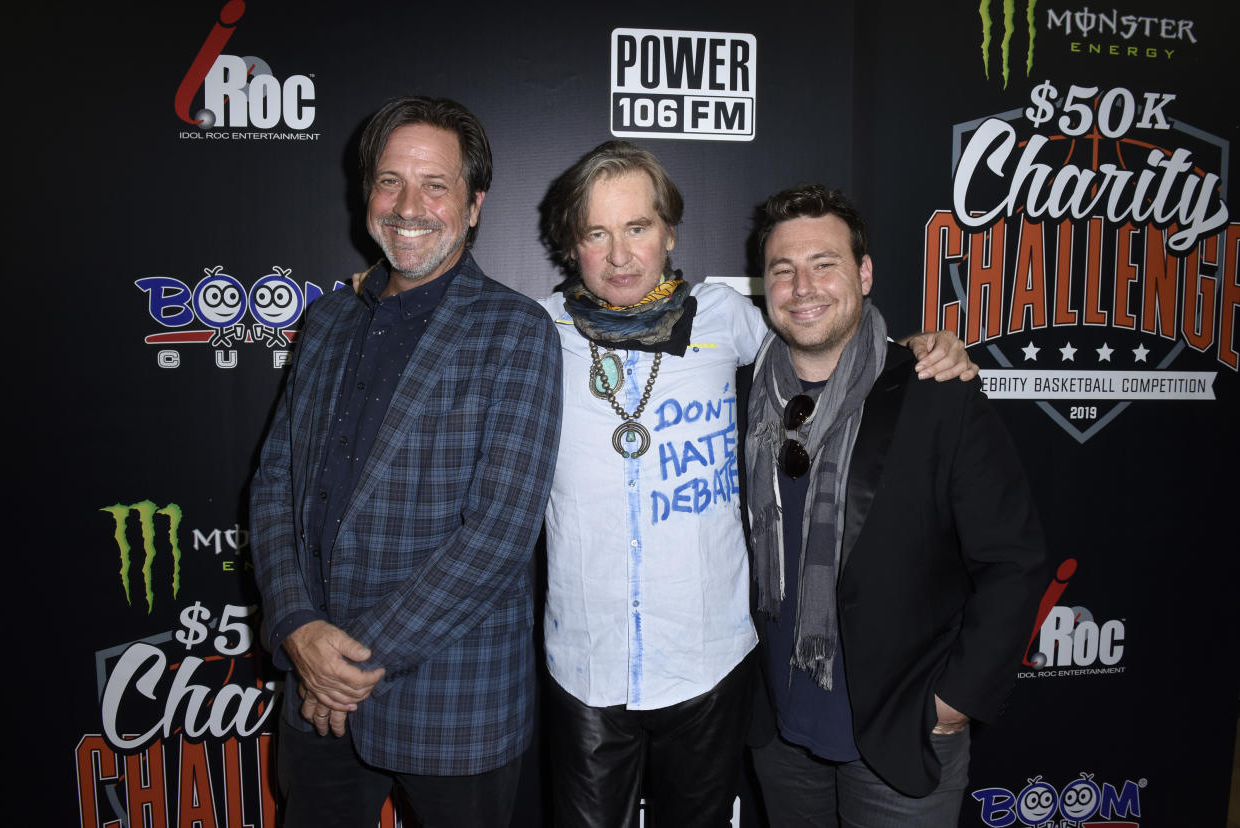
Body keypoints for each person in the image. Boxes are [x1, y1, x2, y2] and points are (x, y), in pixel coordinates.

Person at [537, 142, 977, 828]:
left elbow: (824, 345)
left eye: (638, 228)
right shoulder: (536, 330)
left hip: (711, 659)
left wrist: (919, 347)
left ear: (669, 234)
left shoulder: (725, 317)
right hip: (585, 664)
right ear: (573, 245)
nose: (620, 255)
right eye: (597, 233)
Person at [249, 96, 562, 828]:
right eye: (390, 181)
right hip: (312, 694)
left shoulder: (516, 331)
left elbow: (498, 536)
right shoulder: (327, 319)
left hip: (453, 703)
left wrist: (348, 667)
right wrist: (295, 626)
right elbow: (272, 486)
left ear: (474, 203)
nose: (408, 206)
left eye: (436, 185)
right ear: (367, 195)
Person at [742, 184, 1046, 827]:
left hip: (900, 734)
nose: (804, 287)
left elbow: (1013, 558)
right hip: (779, 734)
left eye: (824, 263)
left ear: (865, 272)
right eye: (783, 270)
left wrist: (955, 700)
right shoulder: (742, 395)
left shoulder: (936, 391)